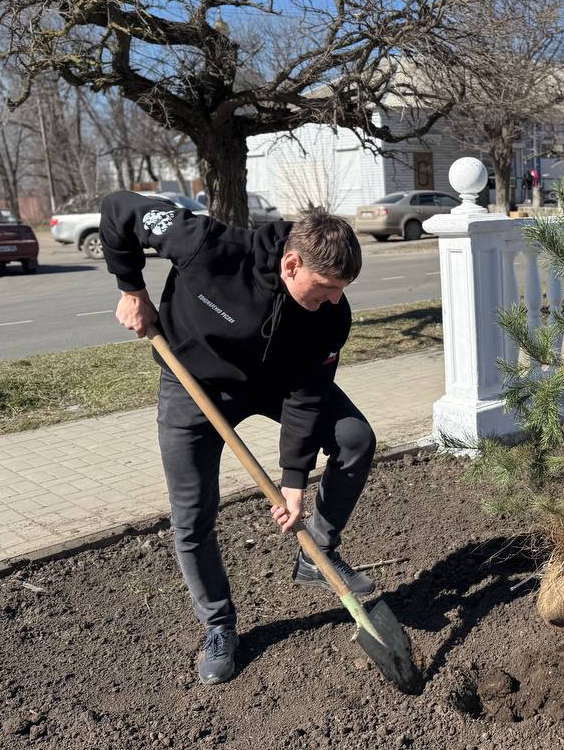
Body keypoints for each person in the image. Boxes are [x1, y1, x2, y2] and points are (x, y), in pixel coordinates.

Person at [100, 191, 377, 685]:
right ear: (291, 264)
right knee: (192, 513)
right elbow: (119, 209)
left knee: (355, 437)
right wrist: (131, 289)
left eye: (342, 288)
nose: (335, 299)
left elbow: (308, 394)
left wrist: (294, 480)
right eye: (327, 287)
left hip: (276, 384)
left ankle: (316, 551)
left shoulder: (331, 315)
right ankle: (219, 625)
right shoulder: (206, 245)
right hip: (194, 383)